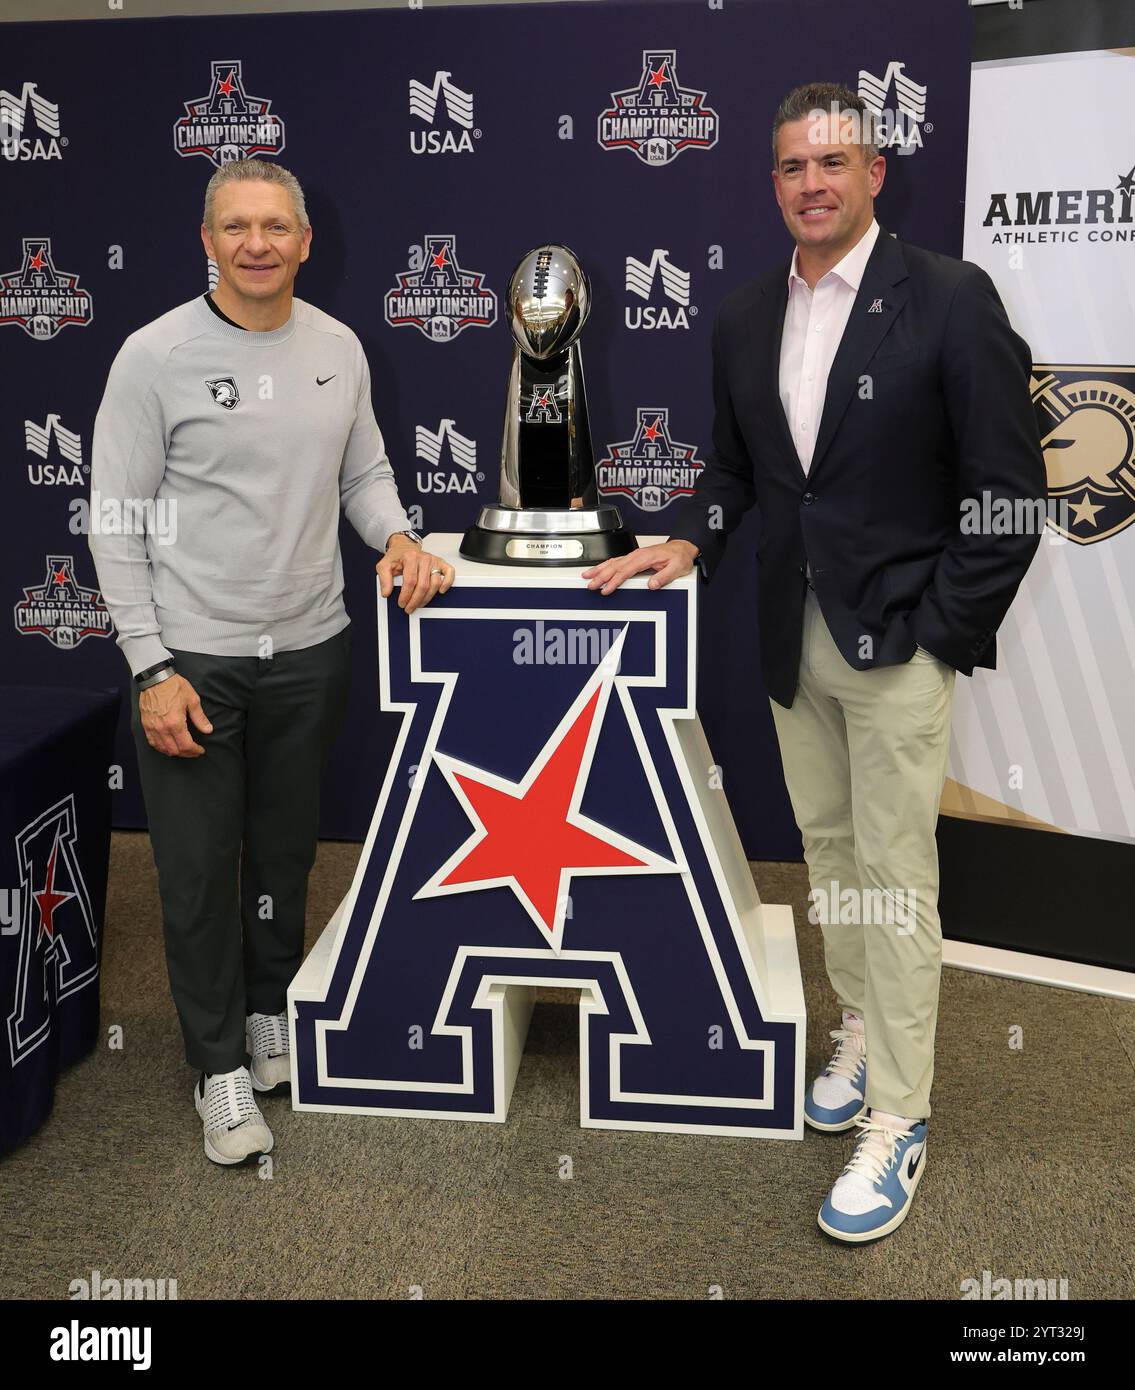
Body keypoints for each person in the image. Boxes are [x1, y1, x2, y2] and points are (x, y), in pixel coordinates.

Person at [583, 83, 1045, 1242]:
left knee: (894, 875)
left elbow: (1009, 496)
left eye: (833, 162)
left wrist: (939, 629)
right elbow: (742, 477)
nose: (811, 183)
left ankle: (902, 1112)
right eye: (791, 165)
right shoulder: (743, 318)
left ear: (875, 173)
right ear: (773, 180)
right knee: (833, 857)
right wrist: (687, 538)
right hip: (789, 642)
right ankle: (859, 1025)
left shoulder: (948, 298)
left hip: (896, 647)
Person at [89, 159, 453, 1166]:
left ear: (305, 241)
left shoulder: (336, 346)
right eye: (236, 226)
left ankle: (264, 1017)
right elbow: (114, 521)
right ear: (207, 241)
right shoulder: (152, 355)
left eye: (275, 226)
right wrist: (151, 667)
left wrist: (398, 538)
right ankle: (215, 1068)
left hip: (310, 649)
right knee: (201, 872)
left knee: (283, 856)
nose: (257, 243)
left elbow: (365, 473)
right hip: (192, 660)